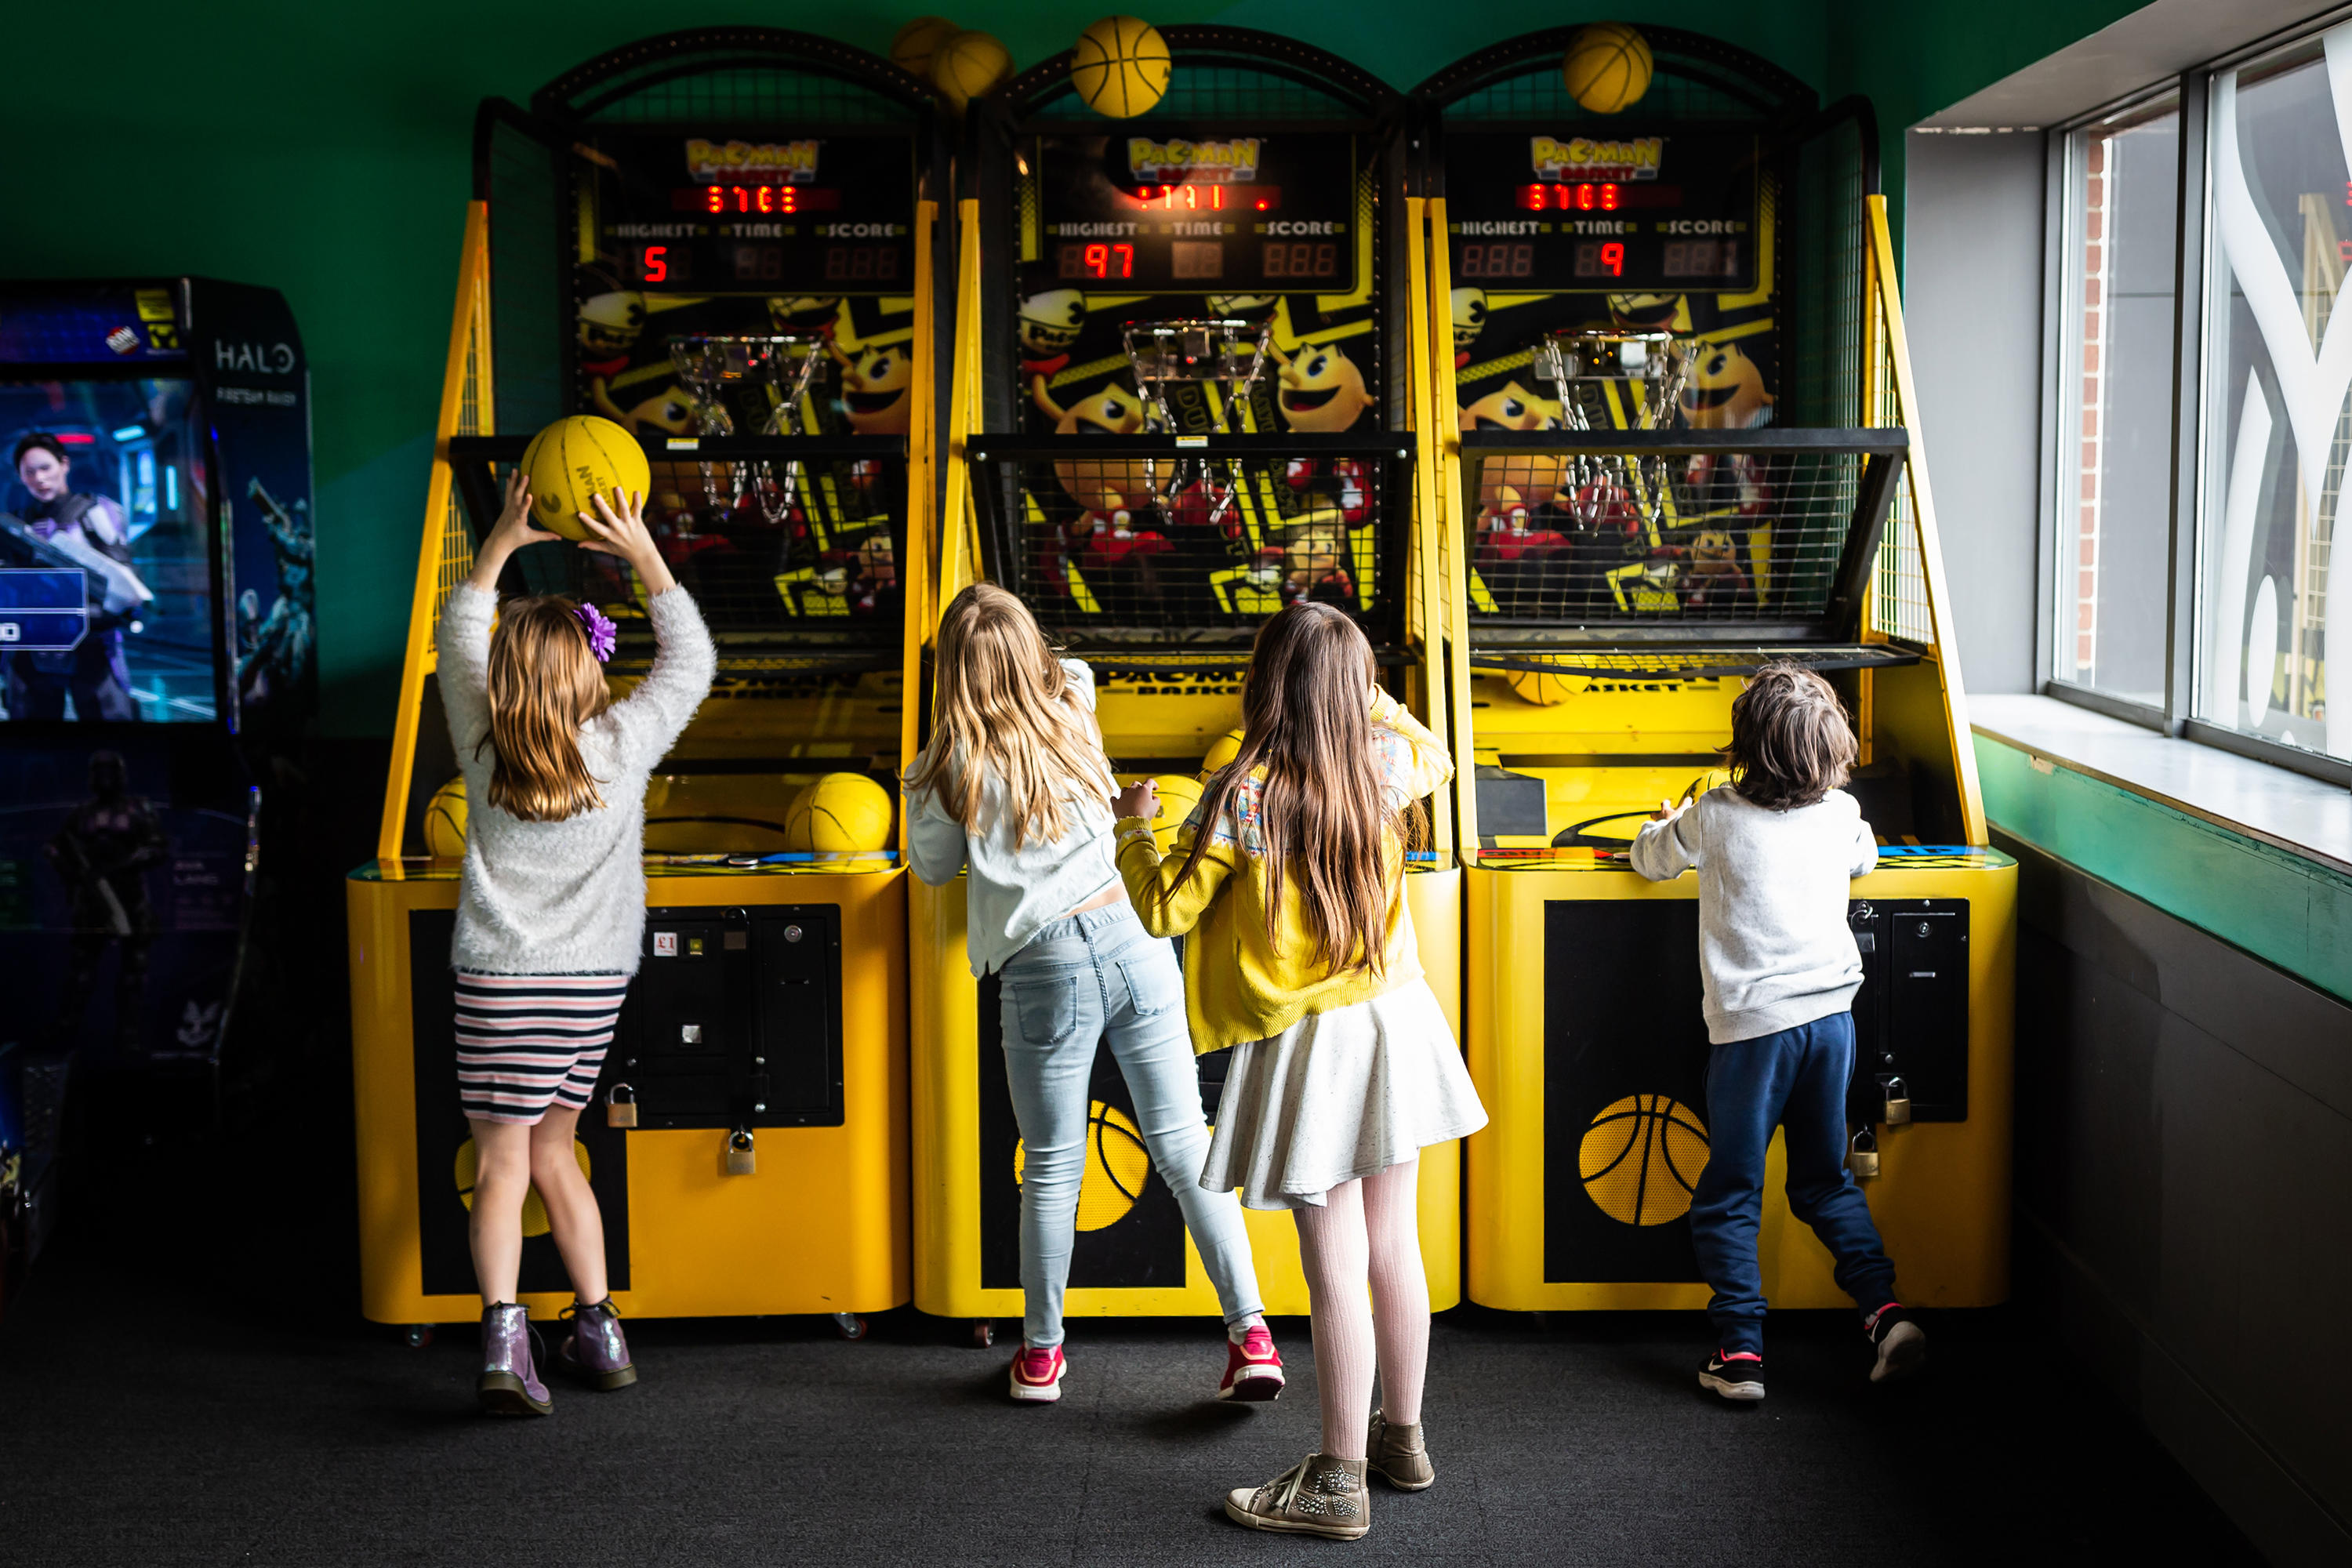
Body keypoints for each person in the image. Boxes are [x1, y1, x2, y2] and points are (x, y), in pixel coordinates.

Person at [1114, 601, 1485, 1542]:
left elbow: (1164, 908)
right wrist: (1367, 694)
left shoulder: (1243, 792)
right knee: (1394, 1243)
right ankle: (1401, 1438)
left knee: (1335, 1269)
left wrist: (1136, 826)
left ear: (1266, 682)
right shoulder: (1386, 764)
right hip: (1394, 1020)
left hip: (1312, 1045)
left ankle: (1338, 1480)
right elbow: (1432, 745)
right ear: (1355, 689)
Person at [904, 583, 1279, 1406]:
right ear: (1030, 650)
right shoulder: (1072, 701)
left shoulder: (940, 766)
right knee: (1186, 1148)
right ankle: (1252, 1334)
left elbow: (931, 868)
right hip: (1136, 942)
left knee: (1050, 1170)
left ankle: (1042, 1357)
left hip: (1044, 969)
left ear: (951, 673)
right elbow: (1069, 665)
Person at [437, 471, 714, 1417]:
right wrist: (641, 552)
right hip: (590, 986)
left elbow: (456, 636)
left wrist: (501, 545)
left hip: (497, 980)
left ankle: (507, 1338)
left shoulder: (482, 742)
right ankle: (600, 1325)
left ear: (505, 677)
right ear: (594, 672)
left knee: (502, 1162)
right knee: (559, 1148)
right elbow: (690, 663)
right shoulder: (624, 744)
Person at [1630, 660, 1926, 1403]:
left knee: (1731, 1189)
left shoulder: (1716, 814)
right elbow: (1866, 859)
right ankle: (1885, 1314)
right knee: (1825, 1181)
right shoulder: (1841, 815)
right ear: (1829, 753)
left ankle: (1740, 1354)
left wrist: (1656, 823)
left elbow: (1650, 860)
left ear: (1743, 747)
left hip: (1753, 1033)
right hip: (1831, 1023)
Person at [4, 433, 143, 721]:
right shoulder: (17, 524)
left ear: (64, 465)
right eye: (30, 472)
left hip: (92, 643)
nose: (40, 478)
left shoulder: (95, 513)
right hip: (35, 645)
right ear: (20, 476)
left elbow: (122, 577)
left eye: (46, 468)